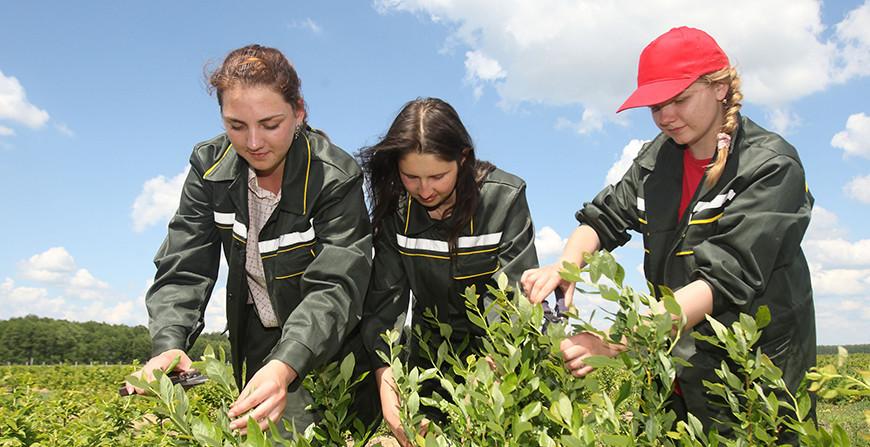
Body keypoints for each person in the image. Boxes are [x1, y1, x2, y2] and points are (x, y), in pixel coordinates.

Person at [521, 27, 815, 439]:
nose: (666, 116)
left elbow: (721, 281)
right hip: (673, 363)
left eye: (679, 99)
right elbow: (601, 220)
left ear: (719, 88)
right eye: (656, 105)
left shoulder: (770, 166)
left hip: (754, 371)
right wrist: (566, 268)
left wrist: (614, 343)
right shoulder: (655, 160)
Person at [127, 44, 378, 438]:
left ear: (299, 112)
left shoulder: (335, 177)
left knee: (326, 431)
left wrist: (287, 362)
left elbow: (335, 286)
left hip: (326, 346)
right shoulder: (209, 168)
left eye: (270, 123)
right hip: (260, 341)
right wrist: (168, 344)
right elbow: (184, 264)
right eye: (236, 126)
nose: (254, 142)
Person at [359, 98, 539, 445]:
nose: (424, 190)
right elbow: (384, 310)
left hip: (499, 363)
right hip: (430, 362)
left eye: (438, 176)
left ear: (463, 159)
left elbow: (513, 305)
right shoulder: (397, 212)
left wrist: (481, 387)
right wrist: (390, 397)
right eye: (411, 176)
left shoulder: (503, 199)